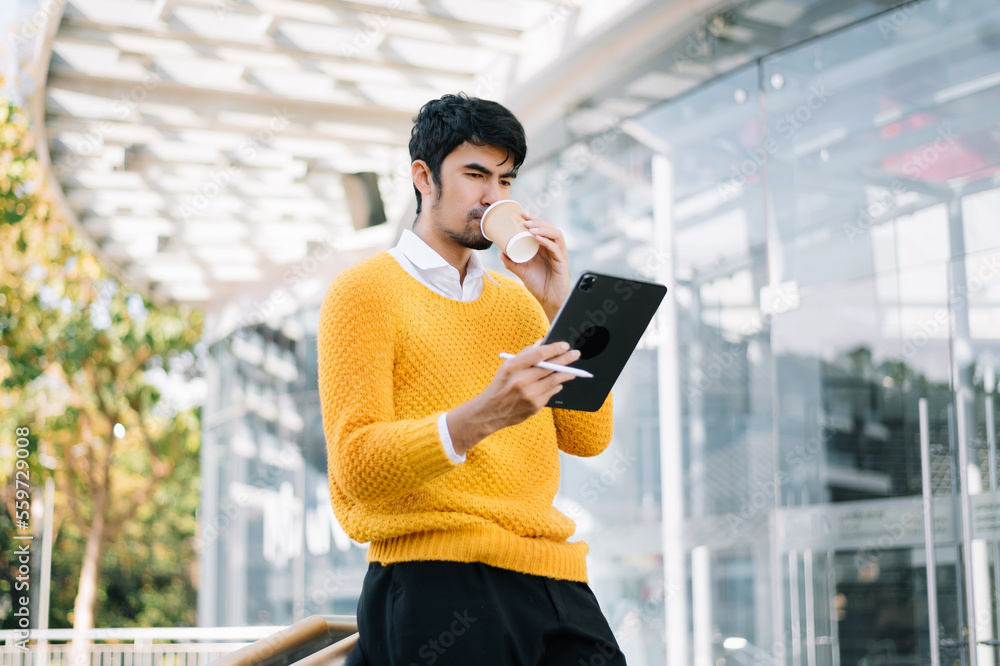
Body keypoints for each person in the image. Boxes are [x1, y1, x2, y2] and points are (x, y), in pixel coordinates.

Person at [318, 93, 626, 666]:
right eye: (476, 174)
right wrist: (479, 418)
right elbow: (356, 466)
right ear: (424, 178)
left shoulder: (521, 299)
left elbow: (588, 438)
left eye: (506, 181)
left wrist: (560, 306)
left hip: (555, 578)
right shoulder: (364, 292)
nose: (494, 197)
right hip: (437, 578)